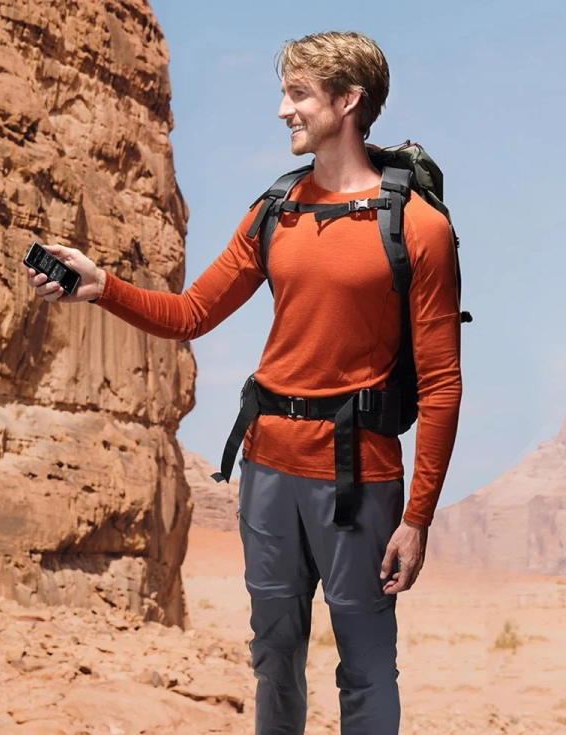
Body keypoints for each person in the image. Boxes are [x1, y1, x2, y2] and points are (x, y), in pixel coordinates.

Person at [27, 31, 461, 735]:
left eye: (297, 95)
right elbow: (192, 312)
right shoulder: (275, 209)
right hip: (267, 470)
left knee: (367, 666)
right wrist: (100, 285)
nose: (282, 109)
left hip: (360, 479)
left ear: (348, 101)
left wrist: (417, 517)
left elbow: (442, 382)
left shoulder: (417, 227)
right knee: (274, 656)